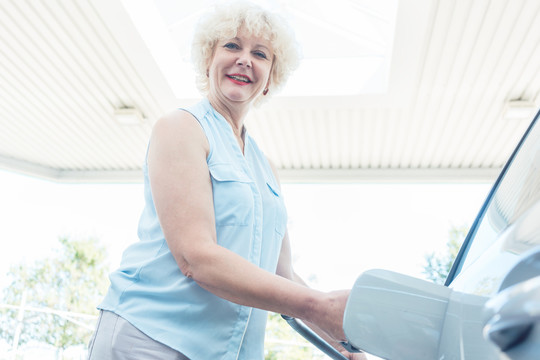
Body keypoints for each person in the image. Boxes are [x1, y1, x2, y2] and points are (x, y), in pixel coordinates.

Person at [87, 2, 366, 359]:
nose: (245, 59)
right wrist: (318, 305)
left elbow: (282, 277)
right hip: (151, 338)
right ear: (208, 60)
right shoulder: (181, 128)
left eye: (260, 54)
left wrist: (343, 347)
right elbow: (195, 257)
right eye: (232, 46)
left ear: (270, 79)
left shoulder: (265, 166)